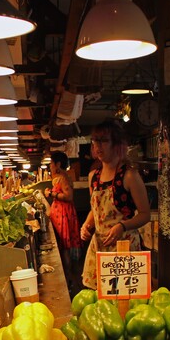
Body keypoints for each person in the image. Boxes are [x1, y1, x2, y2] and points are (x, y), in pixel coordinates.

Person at [80, 120, 151, 290]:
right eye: (95, 140)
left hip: (124, 246)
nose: (98, 146)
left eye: (104, 140)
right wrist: (86, 225)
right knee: (98, 297)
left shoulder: (129, 176)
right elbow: (95, 209)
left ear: (117, 144)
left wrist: (122, 226)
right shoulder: (93, 176)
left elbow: (145, 214)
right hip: (100, 246)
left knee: (125, 296)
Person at [44, 151, 82, 294]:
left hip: (64, 215)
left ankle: (69, 279)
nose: (50, 166)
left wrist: (51, 194)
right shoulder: (59, 178)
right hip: (61, 214)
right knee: (64, 246)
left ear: (58, 164)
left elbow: (69, 196)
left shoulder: (63, 178)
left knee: (65, 247)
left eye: (51, 163)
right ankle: (68, 278)